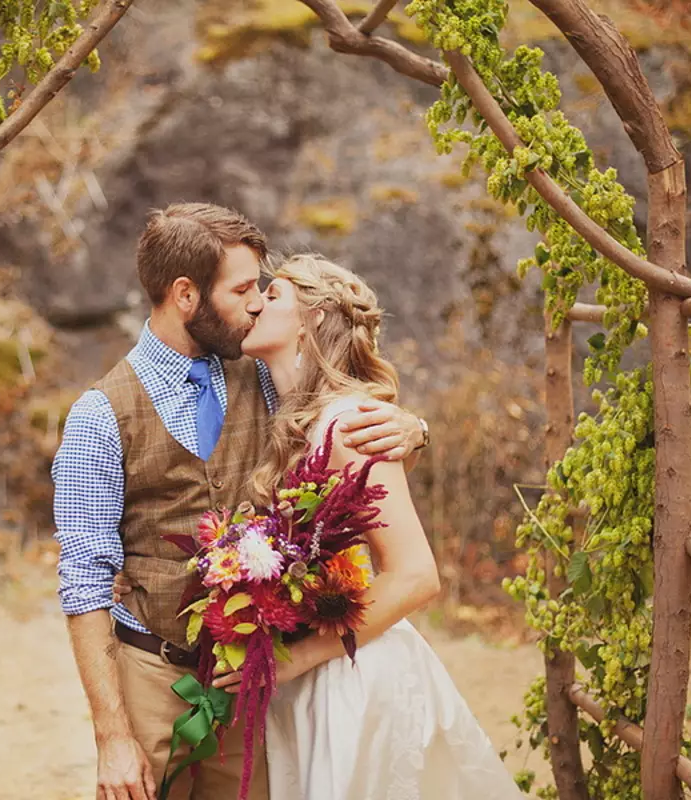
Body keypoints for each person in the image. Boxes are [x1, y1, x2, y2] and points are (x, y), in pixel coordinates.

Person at [52, 205, 430, 800]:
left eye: (260, 288)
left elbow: (339, 425)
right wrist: (113, 738)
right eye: (242, 288)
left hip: (252, 685)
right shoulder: (99, 416)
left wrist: (410, 427)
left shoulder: (265, 373)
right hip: (150, 671)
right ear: (185, 294)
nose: (256, 302)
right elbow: (84, 583)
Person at [210, 253, 524, 799]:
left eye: (275, 293)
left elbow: (416, 575)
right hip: (308, 676)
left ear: (313, 320)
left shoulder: (349, 421)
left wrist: (303, 657)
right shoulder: (287, 421)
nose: (256, 301)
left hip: (351, 675)